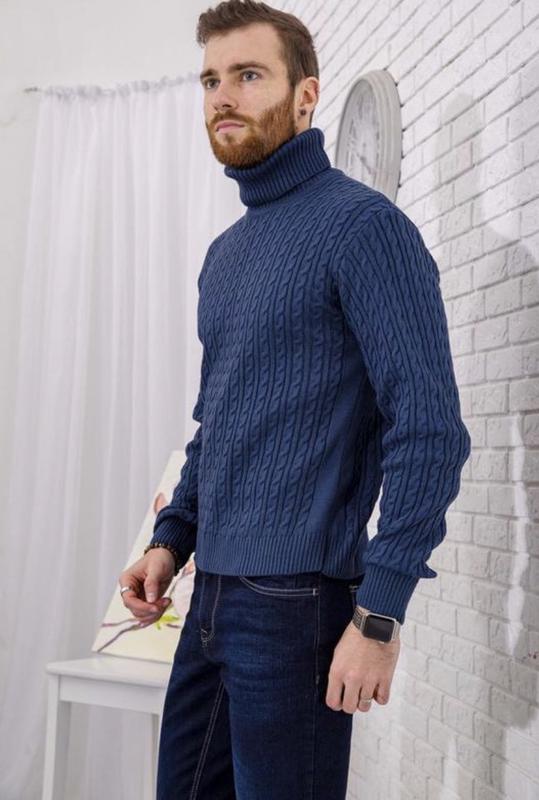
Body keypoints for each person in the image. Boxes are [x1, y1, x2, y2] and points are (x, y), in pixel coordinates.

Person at [118, 1, 472, 797]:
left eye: (248, 75)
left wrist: (378, 615)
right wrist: (171, 540)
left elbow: (428, 431)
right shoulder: (226, 255)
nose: (223, 96)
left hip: (297, 602)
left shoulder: (365, 228)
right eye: (211, 79)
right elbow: (219, 424)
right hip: (208, 597)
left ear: (305, 95)